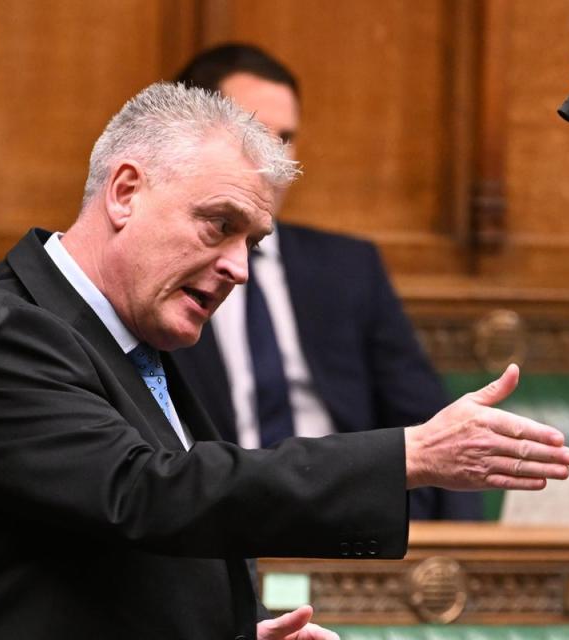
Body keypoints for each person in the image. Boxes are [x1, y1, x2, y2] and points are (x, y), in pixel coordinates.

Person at [0, 82, 569, 640]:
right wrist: (406, 456)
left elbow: (112, 562)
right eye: (219, 226)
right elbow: (147, 496)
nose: (240, 268)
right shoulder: (3, 336)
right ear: (125, 192)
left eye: (254, 242)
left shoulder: (136, 340)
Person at [172, 43, 482, 520]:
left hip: (352, 524)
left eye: (286, 137)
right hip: (220, 521)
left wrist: (465, 556)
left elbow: (427, 420)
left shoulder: (349, 269)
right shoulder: (162, 271)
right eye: (254, 134)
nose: (275, 160)